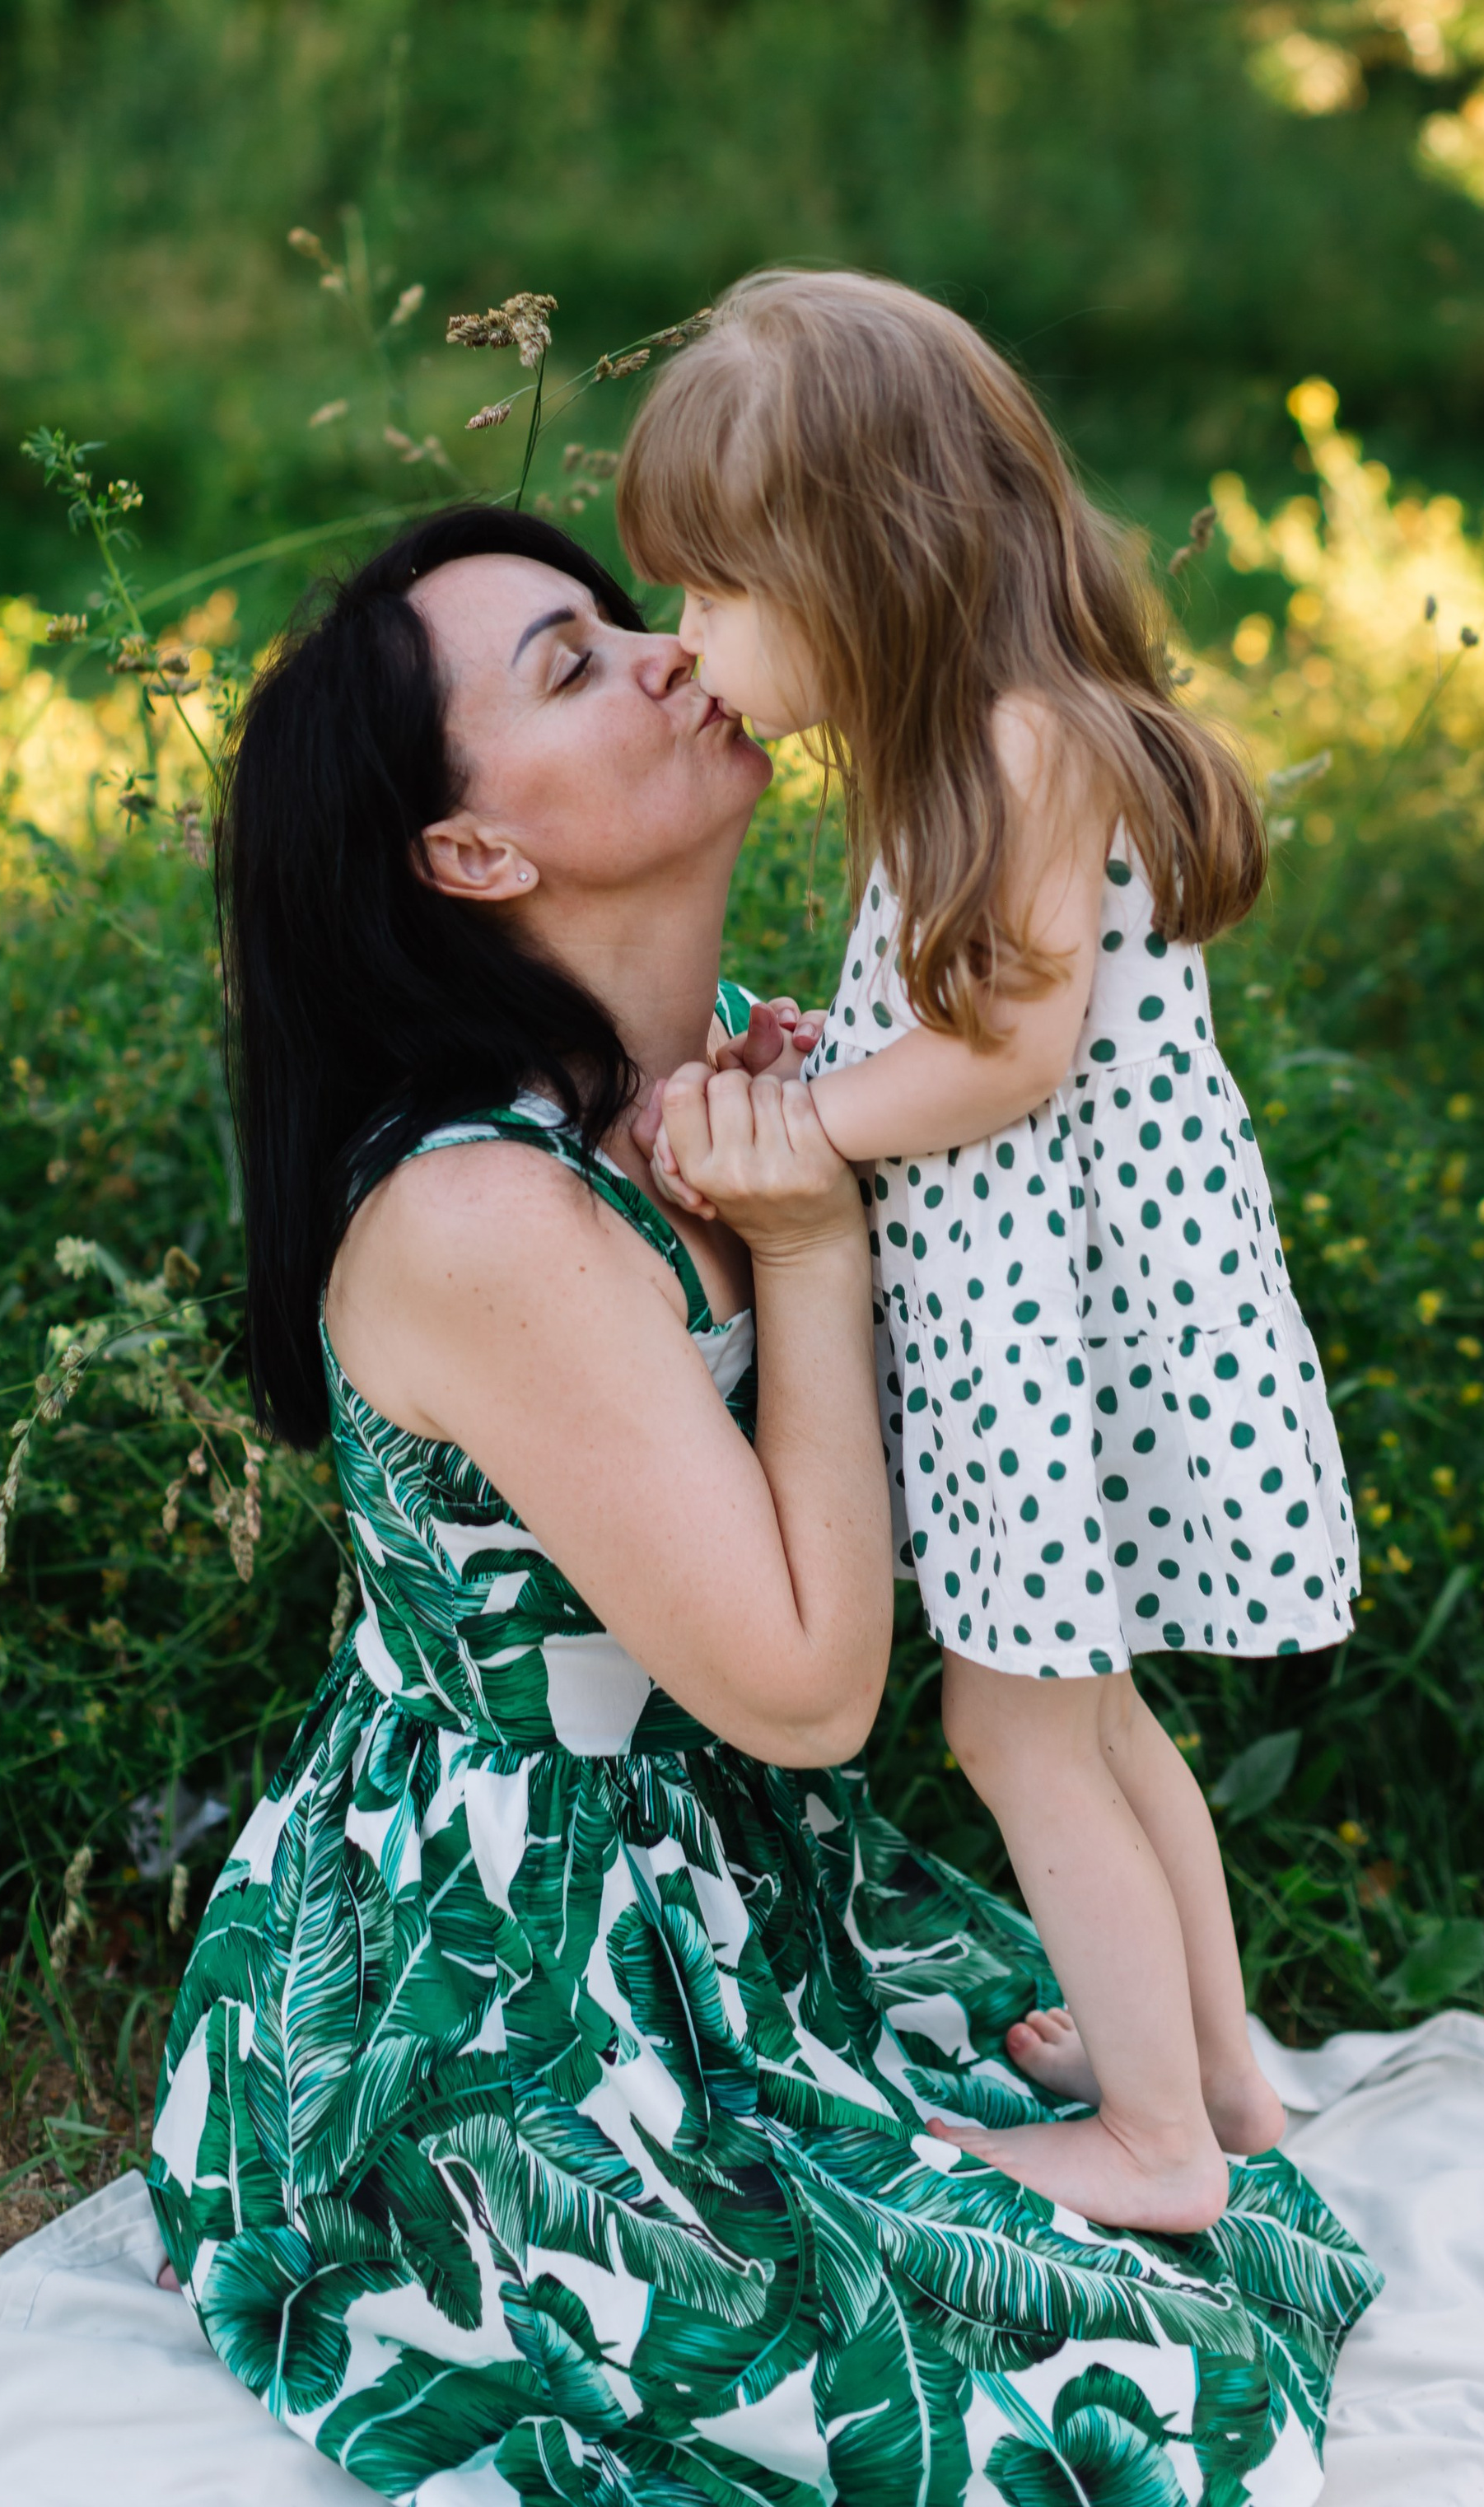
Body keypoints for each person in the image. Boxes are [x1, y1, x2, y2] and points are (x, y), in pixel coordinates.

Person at [147, 501, 1378, 2504]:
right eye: (570, 665)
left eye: (629, 614)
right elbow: (808, 1696)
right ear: (473, 855)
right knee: (1063, 2392)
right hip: (501, 1965)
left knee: (1169, 2241)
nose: (667, 651)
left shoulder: (738, 1065)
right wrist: (810, 1244)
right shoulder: (482, 1219)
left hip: (730, 1865)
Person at [618, 273, 1361, 2238]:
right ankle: (1214, 2075)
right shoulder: (969, 740)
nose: (683, 641)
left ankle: (1153, 2144)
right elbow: (962, 1022)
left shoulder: (1026, 744)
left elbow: (1007, 1058)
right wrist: (828, 1066)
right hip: (1038, 1309)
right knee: (1088, 1709)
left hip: (1053, 1325)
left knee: (1011, 1721)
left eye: (712, 590)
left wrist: (803, 1132)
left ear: (859, 565)